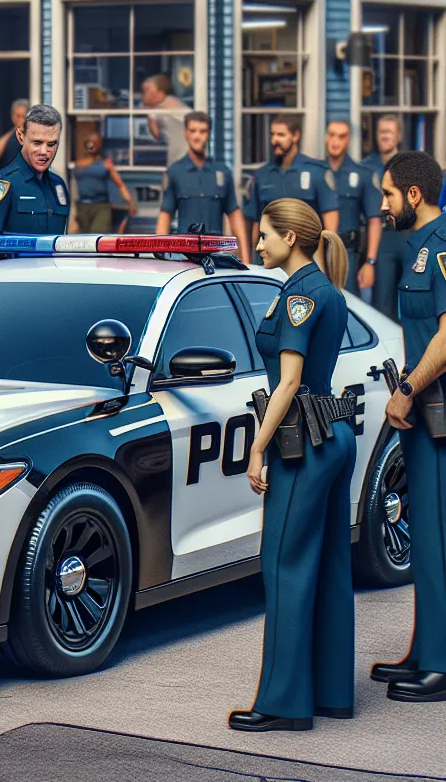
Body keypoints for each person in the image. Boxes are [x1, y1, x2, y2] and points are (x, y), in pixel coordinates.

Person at [229, 198, 355, 732]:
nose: (258, 244)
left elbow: (288, 382)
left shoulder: (302, 293)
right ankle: (330, 693)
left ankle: (283, 705)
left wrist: (257, 448)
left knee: (282, 565)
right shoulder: (327, 290)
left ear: (292, 238)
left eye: (265, 235)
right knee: (327, 566)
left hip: (303, 439)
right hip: (334, 431)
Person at [372, 150, 446, 702]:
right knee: (423, 535)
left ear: (413, 195)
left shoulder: (441, 248)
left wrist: (406, 389)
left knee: (437, 537)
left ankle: (440, 663)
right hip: (422, 417)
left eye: (388, 194)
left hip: (438, 413)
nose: (383, 204)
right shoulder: (418, 246)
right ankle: (424, 648)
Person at [157, 112, 251, 262]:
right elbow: (165, 216)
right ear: (185, 133)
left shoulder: (222, 172)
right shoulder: (175, 171)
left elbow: (234, 215)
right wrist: (159, 258)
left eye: (202, 131)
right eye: (193, 131)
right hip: (184, 258)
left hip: (218, 257)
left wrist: (246, 260)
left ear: (209, 134)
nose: (197, 136)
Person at [244, 115, 339, 252]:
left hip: (306, 257)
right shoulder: (262, 175)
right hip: (270, 257)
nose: (274, 140)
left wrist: (326, 260)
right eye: (273, 134)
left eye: (281, 135)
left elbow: (331, 227)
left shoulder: (316, 172)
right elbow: (255, 225)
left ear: (295, 136)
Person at [0, 105, 70, 236]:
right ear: (21, 137)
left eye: (51, 144)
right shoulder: (2, 183)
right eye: (37, 143)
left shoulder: (58, 185)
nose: (44, 152)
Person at [324, 120, 382, 298]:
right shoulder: (314, 172)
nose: (335, 141)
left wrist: (370, 262)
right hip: (316, 251)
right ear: (326, 138)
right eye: (332, 135)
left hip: (347, 252)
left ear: (348, 140)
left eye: (341, 136)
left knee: (348, 305)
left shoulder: (362, 174)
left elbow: (374, 220)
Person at [363, 115, 408, 322]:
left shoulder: (409, 165)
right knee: (382, 300)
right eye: (381, 132)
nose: (384, 137)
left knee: (411, 295)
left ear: (398, 136)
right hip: (380, 236)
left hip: (406, 234)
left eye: (389, 132)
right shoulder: (366, 167)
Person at [72, 132, 136, 234]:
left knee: (98, 234)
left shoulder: (106, 164)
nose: (91, 144)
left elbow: (120, 185)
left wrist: (130, 202)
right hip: (82, 206)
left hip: (101, 206)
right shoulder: (79, 164)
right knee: (82, 239)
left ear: (99, 144)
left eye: (94, 142)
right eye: (89, 142)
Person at [142, 75, 190, 171]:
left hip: (183, 152)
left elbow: (156, 134)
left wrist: (149, 113)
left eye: (147, 90)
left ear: (160, 93)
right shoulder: (160, 107)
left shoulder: (169, 104)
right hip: (178, 153)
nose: (143, 95)